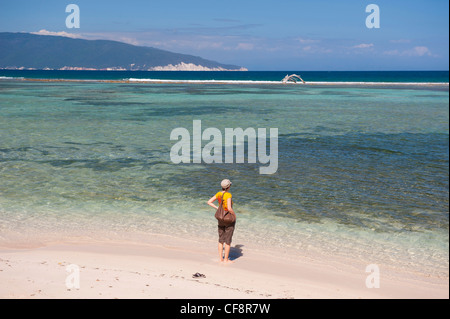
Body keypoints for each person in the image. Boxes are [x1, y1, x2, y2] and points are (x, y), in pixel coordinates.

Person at [207, 179, 236, 263]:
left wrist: (218, 208)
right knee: (228, 240)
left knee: (221, 239)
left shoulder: (219, 194)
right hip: (228, 218)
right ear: (228, 186)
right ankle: (226, 259)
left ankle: (221, 259)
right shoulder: (228, 195)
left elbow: (209, 202)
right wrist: (234, 215)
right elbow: (229, 208)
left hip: (220, 218)